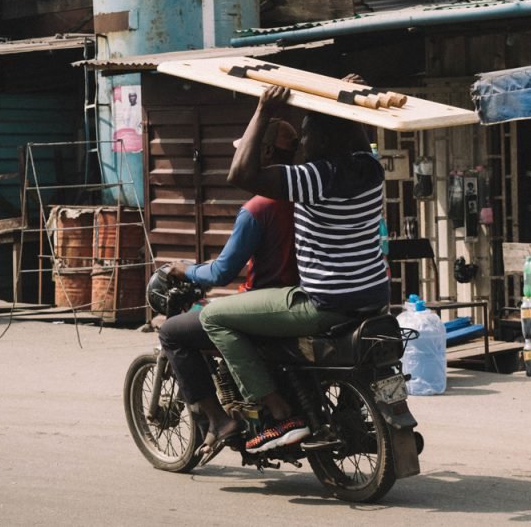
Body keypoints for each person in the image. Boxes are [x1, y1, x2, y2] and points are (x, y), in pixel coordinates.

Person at [200, 83, 389, 454]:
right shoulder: (370, 167)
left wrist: (263, 110)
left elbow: (240, 174)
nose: (303, 142)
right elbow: (355, 133)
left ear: (320, 139)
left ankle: (278, 410)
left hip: (325, 304)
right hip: (374, 298)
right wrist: (345, 96)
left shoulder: (315, 178)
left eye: (306, 133)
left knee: (214, 318)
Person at [158, 118, 299, 465]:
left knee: (172, 332)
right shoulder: (308, 196)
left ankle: (221, 420)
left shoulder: (258, 208)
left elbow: (222, 271)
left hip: (268, 304)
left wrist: (184, 269)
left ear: (264, 153)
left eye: (248, 151)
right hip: (304, 298)